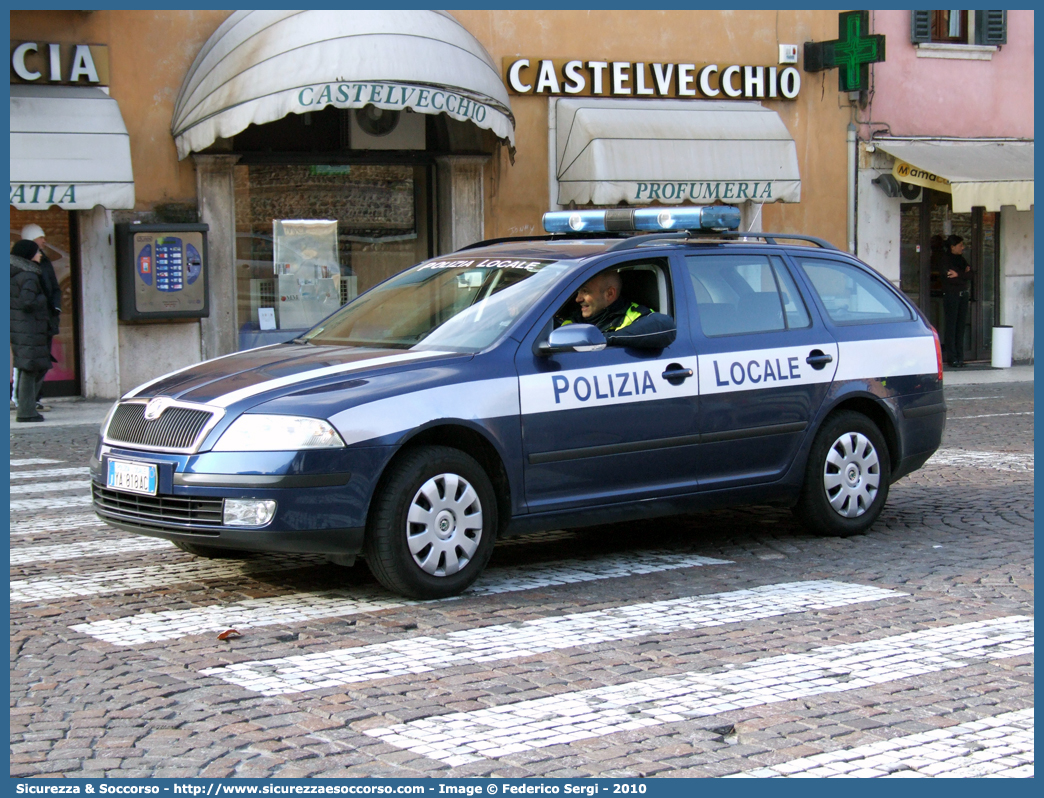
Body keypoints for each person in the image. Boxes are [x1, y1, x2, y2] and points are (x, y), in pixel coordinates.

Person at [560, 269, 676, 349]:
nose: (578, 299)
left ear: (609, 294)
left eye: (585, 291)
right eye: (578, 291)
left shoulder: (635, 315)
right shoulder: (573, 319)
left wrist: (604, 339)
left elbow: (665, 326)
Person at [10, 240, 53, 422]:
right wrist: (43, 299)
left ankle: (26, 408)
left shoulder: (15, 273)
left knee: (32, 366)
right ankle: (26, 411)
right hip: (29, 327)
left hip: (21, 326)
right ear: (28, 254)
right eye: (37, 252)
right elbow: (28, 302)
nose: (40, 255)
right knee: (31, 368)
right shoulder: (28, 275)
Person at [20, 224, 60, 411]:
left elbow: (54, 287)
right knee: (29, 363)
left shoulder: (44, 263)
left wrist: (56, 308)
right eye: (40, 237)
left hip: (45, 319)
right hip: (29, 322)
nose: (44, 241)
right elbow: (28, 299)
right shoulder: (24, 270)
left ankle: (34, 398)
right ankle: (25, 402)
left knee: (42, 360)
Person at [941, 234, 973, 367]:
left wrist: (959, 275)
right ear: (952, 247)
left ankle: (960, 357)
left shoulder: (961, 259)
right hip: (951, 295)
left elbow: (971, 275)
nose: (962, 248)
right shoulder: (945, 259)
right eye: (960, 245)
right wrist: (963, 275)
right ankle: (952, 358)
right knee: (951, 326)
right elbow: (949, 278)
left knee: (960, 327)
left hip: (963, 295)